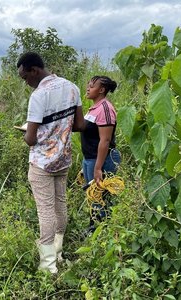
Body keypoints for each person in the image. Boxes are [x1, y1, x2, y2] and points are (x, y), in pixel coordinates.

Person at [17, 52, 84, 273]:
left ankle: (48, 265)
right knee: (60, 205)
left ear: (34, 71)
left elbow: (31, 139)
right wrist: (58, 126)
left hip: (42, 164)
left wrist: (26, 130)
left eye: (25, 77)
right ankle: (58, 252)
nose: (26, 82)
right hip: (63, 159)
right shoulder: (72, 87)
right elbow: (79, 125)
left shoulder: (39, 96)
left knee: (45, 212)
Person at [80, 75, 121, 232]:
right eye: (88, 85)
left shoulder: (105, 109)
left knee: (100, 197)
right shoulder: (95, 108)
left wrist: (97, 168)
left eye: (92, 86)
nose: (88, 88)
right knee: (93, 196)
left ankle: (101, 233)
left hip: (102, 160)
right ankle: (94, 230)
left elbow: (105, 141)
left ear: (102, 90)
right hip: (91, 159)